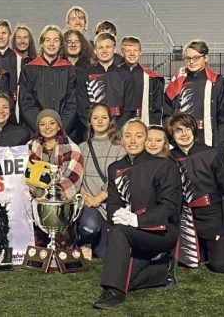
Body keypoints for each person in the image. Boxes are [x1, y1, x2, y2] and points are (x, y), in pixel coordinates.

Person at [93, 119, 180, 310]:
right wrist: (117, 214)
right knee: (126, 279)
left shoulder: (164, 165)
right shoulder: (114, 168)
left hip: (161, 233)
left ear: (146, 140)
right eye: (128, 136)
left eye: (139, 136)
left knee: (119, 235)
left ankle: (113, 292)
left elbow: (170, 207)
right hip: (131, 234)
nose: (133, 141)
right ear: (121, 140)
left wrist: (137, 220)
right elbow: (113, 203)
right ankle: (162, 271)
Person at [166, 112, 224, 273]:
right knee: (182, 262)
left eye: (187, 128)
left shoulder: (212, 153)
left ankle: (211, 245)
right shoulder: (169, 158)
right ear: (172, 135)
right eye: (178, 130)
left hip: (211, 215)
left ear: (193, 130)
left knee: (221, 265)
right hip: (185, 218)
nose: (184, 134)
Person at [27, 109, 84, 247]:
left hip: (60, 203)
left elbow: (72, 180)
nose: (47, 128)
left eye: (52, 123)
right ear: (38, 127)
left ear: (59, 126)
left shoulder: (72, 149)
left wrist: (49, 195)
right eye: (43, 124)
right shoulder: (30, 147)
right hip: (34, 201)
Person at [77, 104, 126, 260]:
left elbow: (117, 178)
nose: (99, 121)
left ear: (110, 121)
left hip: (109, 202)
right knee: (89, 227)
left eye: (104, 117)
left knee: (104, 253)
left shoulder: (120, 148)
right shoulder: (82, 147)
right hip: (88, 203)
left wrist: (98, 198)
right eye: (95, 118)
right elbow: (78, 176)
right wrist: (86, 197)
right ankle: (84, 242)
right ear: (90, 122)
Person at [164, 40, 224, 151]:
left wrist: (222, 145)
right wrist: (171, 138)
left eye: (196, 58)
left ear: (205, 58)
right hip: (181, 141)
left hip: (208, 140)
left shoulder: (218, 81)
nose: (191, 61)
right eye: (188, 58)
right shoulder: (177, 81)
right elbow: (167, 113)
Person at [19, 25, 78, 136]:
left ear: (61, 44)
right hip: (36, 131)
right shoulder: (29, 69)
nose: (51, 44)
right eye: (47, 40)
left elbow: (72, 104)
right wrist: (42, 127)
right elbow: (26, 103)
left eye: (56, 40)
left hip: (64, 131)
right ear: (41, 43)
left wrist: (60, 128)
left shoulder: (69, 70)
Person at [76, 32, 134, 141]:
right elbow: (82, 108)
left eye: (108, 47)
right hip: (92, 134)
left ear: (114, 49)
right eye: (100, 47)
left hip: (118, 133)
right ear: (95, 50)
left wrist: (116, 129)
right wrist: (94, 127)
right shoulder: (85, 75)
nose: (104, 50)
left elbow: (129, 109)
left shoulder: (125, 75)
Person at [117, 36, 164, 125]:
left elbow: (156, 108)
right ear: (121, 53)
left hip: (143, 123)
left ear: (140, 52)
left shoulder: (150, 77)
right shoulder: (114, 75)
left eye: (135, 50)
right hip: (119, 125)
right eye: (128, 51)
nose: (132, 54)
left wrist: (154, 126)